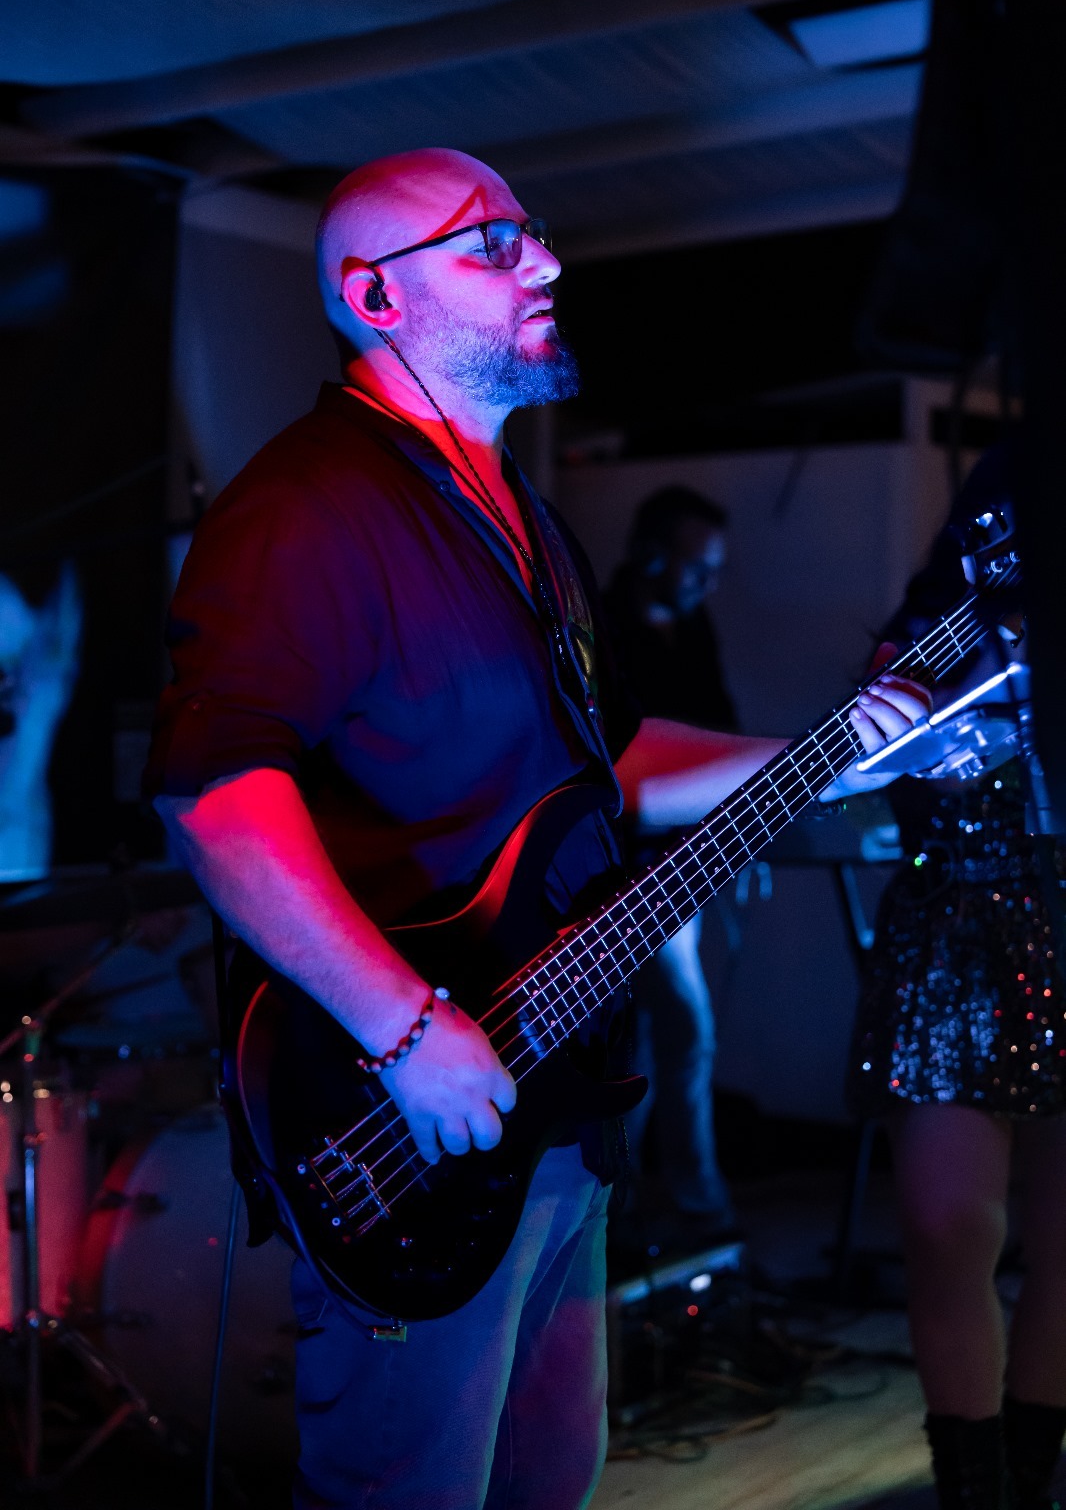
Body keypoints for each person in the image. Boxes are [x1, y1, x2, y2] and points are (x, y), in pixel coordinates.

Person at [146, 146, 930, 1510]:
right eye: (493, 243)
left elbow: (605, 761)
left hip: (559, 1095)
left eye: (537, 233)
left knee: (547, 1479)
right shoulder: (306, 508)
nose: (548, 262)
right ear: (374, 298)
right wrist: (403, 1030)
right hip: (409, 1112)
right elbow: (215, 802)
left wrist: (828, 760)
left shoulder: (524, 518)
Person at [849, 448, 1066, 1510]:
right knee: (948, 1230)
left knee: (1064, 1245)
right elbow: (874, 750)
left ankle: (1030, 1479)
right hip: (956, 920)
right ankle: (974, 1495)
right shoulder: (944, 613)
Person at [604, 488, 737, 1242]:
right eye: (698, 566)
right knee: (677, 1031)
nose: (707, 584)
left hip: (680, 868)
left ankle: (631, 1208)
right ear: (653, 556)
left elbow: (720, 735)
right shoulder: (604, 629)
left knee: (663, 1039)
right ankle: (688, 1207)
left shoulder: (692, 630)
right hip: (625, 874)